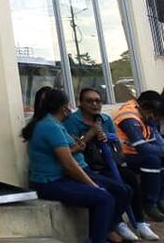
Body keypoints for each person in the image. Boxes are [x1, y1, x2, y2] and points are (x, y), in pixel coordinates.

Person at [22, 88, 132, 243]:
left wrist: (76, 145)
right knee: (104, 198)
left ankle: (104, 232)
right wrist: (93, 185)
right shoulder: (50, 126)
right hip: (49, 182)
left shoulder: (53, 123)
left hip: (61, 177)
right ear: (63, 108)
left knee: (120, 191)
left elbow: (66, 153)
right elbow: (69, 165)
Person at [65, 87, 157, 241]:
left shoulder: (105, 119)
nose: (94, 104)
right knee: (119, 189)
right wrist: (91, 134)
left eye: (98, 101)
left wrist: (107, 137)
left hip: (107, 162)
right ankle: (116, 223)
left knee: (130, 180)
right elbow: (72, 146)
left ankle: (139, 222)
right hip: (87, 166)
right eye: (89, 101)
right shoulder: (72, 122)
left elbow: (115, 141)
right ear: (80, 103)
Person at [115, 91, 164, 222]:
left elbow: (156, 140)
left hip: (134, 154)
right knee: (152, 160)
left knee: (160, 158)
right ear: (147, 108)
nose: (156, 121)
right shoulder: (129, 117)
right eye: (156, 117)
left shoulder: (145, 114)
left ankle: (160, 200)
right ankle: (150, 204)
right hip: (122, 156)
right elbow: (142, 147)